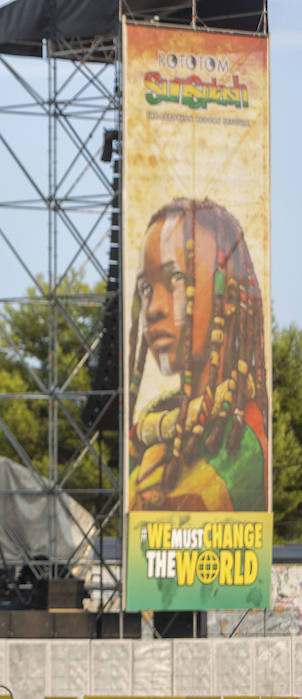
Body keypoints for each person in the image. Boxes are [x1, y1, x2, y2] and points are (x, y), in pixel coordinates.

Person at [126, 199, 268, 511]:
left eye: (176, 278)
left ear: (229, 295)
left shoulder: (241, 446)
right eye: (146, 288)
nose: (154, 308)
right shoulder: (149, 434)